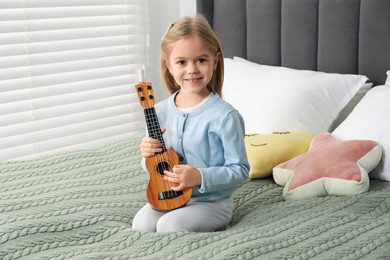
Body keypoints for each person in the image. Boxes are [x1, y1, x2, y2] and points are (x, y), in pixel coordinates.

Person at [132, 14, 249, 232]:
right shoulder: (158, 112)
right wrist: (146, 155)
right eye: (181, 62)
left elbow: (240, 170)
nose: (192, 69)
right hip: (167, 197)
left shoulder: (225, 116)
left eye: (201, 60)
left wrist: (199, 176)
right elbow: (154, 168)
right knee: (141, 225)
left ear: (215, 60)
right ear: (168, 65)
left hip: (210, 202)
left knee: (169, 226)